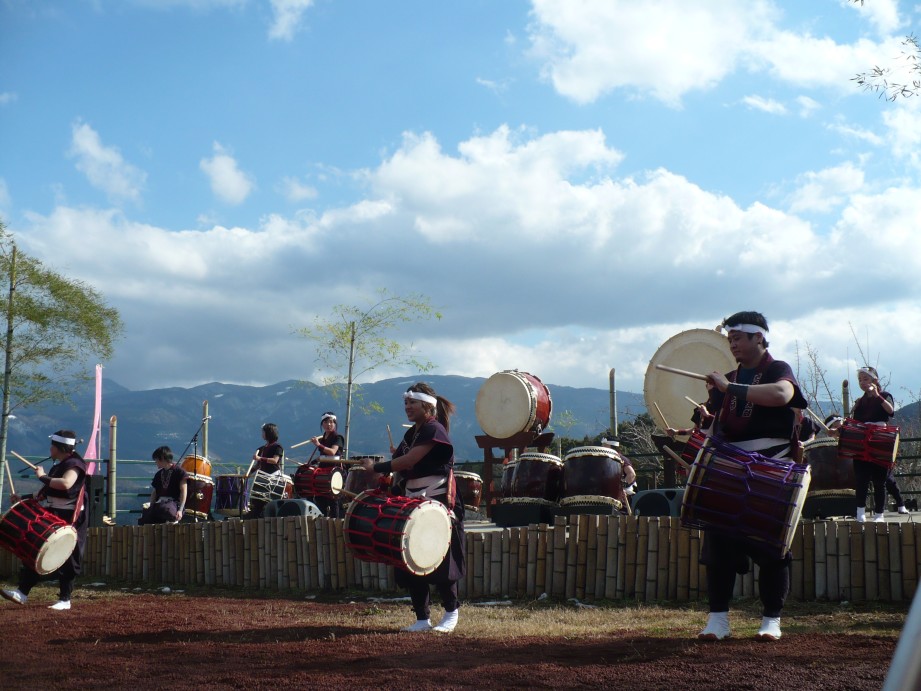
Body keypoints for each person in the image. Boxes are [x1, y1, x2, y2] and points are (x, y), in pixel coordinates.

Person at [697, 311, 808, 643]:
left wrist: (730, 387)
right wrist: (706, 421)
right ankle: (718, 620)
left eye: (738, 338)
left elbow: (781, 396)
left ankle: (771, 620)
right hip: (731, 468)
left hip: (771, 468)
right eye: (730, 339)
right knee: (718, 542)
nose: (733, 345)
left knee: (773, 547)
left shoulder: (776, 370)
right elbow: (716, 429)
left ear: (758, 338)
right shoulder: (727, 379)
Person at [360, 382, 466, 634]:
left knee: (439, 556)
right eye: (405, 403)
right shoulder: (414, 433)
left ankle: (451, 613)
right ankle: (422, 617)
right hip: (413, 501)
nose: (407, 407)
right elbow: (404, 461)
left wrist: (376, 468)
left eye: (412, 403)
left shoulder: (433, 428)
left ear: (427, 406)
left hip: (438, 499)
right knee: (411, 556)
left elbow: (408, 460)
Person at [1, 430, 88, 611]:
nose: (50, 449)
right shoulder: (60, 464)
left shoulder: (74, 464)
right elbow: (48, 491)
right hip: (53, 513)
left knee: (68, 556)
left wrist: (42, 476)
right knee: (36, 549)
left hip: (70, 517)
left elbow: (65, 484)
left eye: (52, 446)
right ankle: (22, 592)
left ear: (59, 447)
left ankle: (65, 599)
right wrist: (23, 497)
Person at [850, 366, 906, 520]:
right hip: (862, 439)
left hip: (880, 438)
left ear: (875, 380)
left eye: (865, 379)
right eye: (860, 380)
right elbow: (855, 421)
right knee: (861, 478)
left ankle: (879, 513)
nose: (862, 382)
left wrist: (877, 396)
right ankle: (860, 511)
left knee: (879, 479)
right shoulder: (860, 401)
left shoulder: (885, 395)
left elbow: (890, 411)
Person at [306, 412, 345, 517]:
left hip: (334, 471)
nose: (329, 424)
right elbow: (323, 456)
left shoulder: (338, 437)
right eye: (326, 422)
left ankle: (334, 524)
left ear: (335, 423)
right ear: (322, 424)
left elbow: (332, 452)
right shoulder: (323, 438)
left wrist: (319, 444)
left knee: (333, 499)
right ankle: (322, 523)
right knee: (320, 498)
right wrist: (311, 463)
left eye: (331, 422)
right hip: (323, 471)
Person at [138, 446, 188, 525]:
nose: (156, 462)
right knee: (145, 518)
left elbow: (183, 491)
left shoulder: (180, 472)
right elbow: (154, 492)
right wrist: (151, 507)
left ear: (162, 458)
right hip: (160, 503)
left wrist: (180, 510)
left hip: (174, 503)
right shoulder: (158, 474)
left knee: (166, 511)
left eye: (156, 460)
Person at [245, 423, 285, 519]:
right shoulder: (261, 449)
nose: (262, 434)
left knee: (270, 502)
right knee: (256, 502)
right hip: (262, 478)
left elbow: (275, 460)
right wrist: (248, 474)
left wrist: (260, 458)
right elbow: (258, 465)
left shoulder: (278, 447)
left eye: (263, 432)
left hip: (273, 478)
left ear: (269, 433)